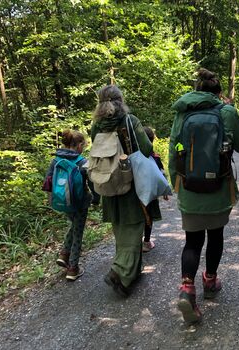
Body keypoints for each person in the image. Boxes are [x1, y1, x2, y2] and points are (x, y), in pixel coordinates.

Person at [168, 68, 239, 325]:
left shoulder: (183, 112)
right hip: (218, 188)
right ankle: (210, 280)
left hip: (189, 188)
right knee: (215, 236)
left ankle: (187, 288)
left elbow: (173, 150)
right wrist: (229, 112)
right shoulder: (225, 111)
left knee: (192, 241)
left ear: (196, 89)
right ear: (218, 92)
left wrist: (178, 184)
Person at [91, 85, 160, 297]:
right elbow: (146, 148)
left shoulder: (97, 125)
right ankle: (119, 272)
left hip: (107, 181)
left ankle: (132, 271)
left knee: (120, 227)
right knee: (134, 227)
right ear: (121, 100)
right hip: (130, 181)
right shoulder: (130, 121)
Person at [42, 129, 92, 281]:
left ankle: (64, 254)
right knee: (78, 232)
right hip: (80, 202)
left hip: (62, 201)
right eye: (83, 145)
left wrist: (51, 199)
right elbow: (92, 182)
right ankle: (73, 268)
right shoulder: (82, 162)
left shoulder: (55, 160)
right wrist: (96, 198)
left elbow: (48, 181)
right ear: (78, 146)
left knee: (74, 225)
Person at [142, 126, 168, 252]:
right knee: (149, 216)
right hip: (150, 193)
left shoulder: (134, 157)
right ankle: (146, 242)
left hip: (135, 193)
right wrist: (165, 191)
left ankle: (136, 242)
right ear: (152, 140)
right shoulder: (155, 157)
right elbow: (161, 174)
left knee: (139, 217)